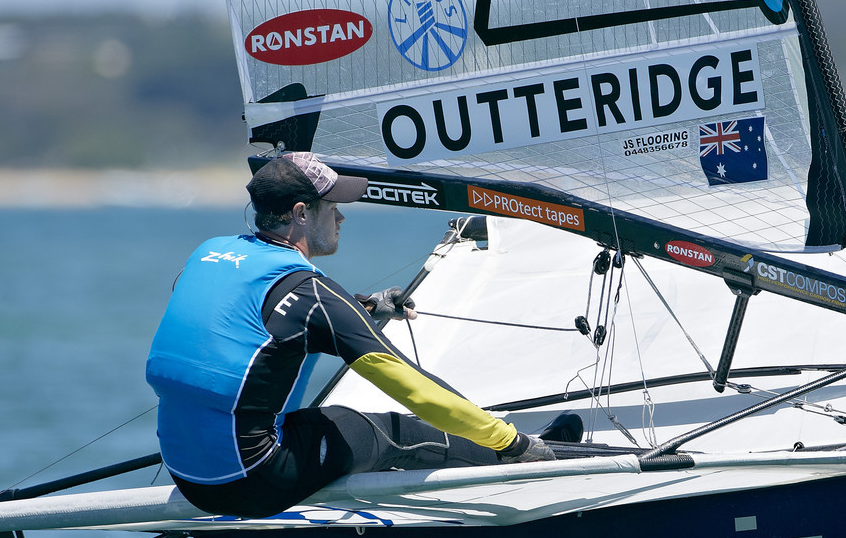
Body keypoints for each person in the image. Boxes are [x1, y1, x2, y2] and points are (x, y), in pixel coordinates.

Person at [146, 152, 555, 518]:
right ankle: (518, 454)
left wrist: (364, 311)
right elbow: (417, 391)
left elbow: (247, 325)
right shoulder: (310, 293)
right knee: (384, 431)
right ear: (302, 213)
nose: (341, 217)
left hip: (186, 473)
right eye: (333, 207)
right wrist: (511, 439)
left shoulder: (207, 254)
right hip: (252, 481)